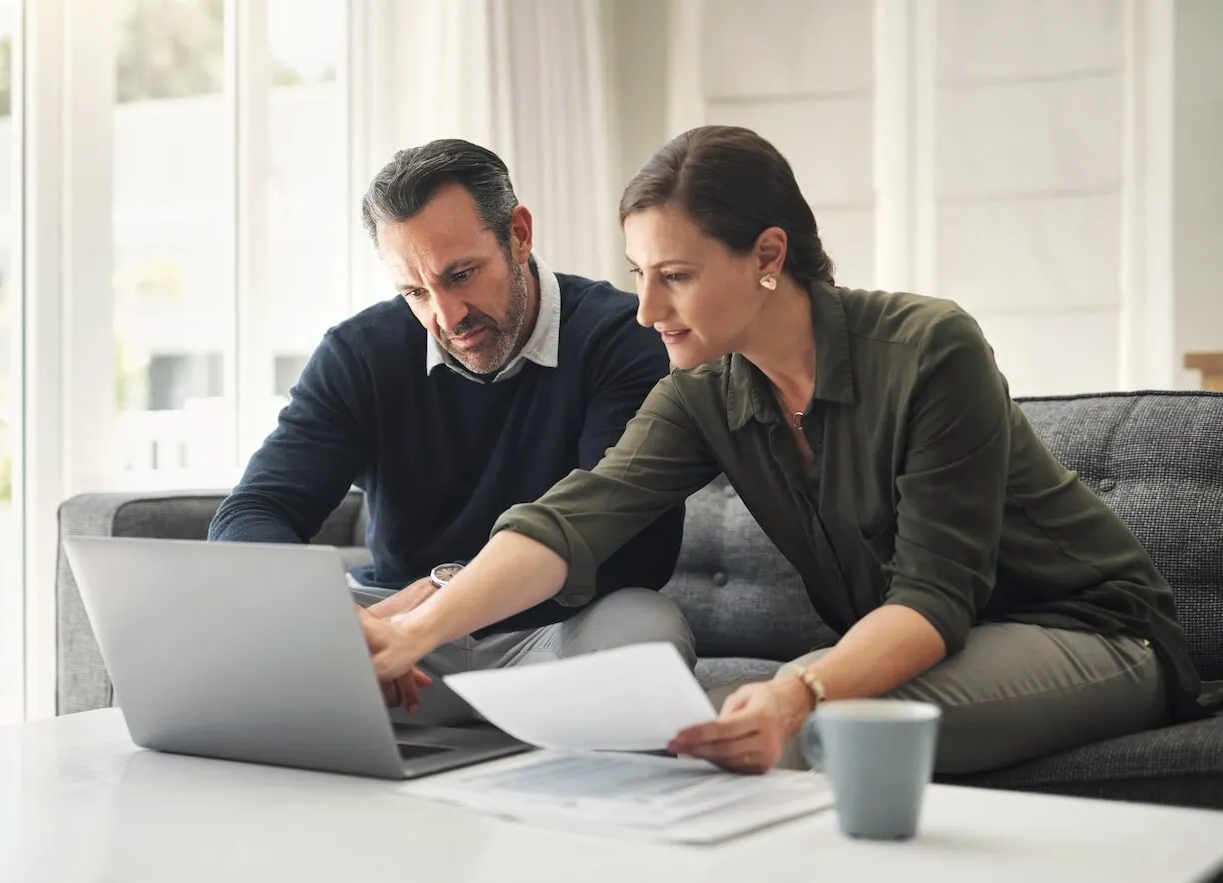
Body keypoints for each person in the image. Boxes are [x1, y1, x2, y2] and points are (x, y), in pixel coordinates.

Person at [358, 124, 1212, 775]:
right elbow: (574, 518)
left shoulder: (928, 348)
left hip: (1093, 634)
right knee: (698, 725)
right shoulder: (707, 387)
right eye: (638, 276)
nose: (648, 310)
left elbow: (934, 599)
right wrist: (416, 628)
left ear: (769, 254)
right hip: (936, 640)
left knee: (816, 725)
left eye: (677, 276)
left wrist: (801, 689)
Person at [208, 137, 692, 724]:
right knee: (230, 621)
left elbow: (630, 546)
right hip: (400, 636)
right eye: (415, 292)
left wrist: (445, 594)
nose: (446, 317)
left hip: (550, 638)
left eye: (461, 275)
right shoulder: (361, 353)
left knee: (649, 630)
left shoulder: (620, 337)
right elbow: (254, 510)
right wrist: (337, 621)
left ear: (519, 233)